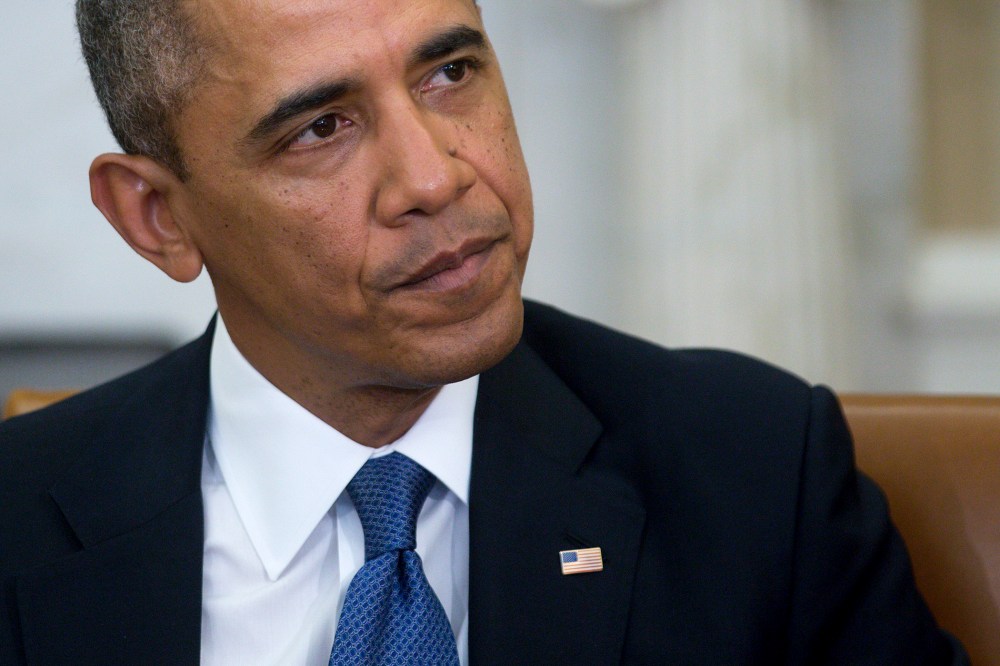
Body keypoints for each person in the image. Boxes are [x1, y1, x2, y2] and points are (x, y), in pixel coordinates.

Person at [0, 0, 968, 664]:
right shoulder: (19, 524)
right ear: (156, 217)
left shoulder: (752, 473)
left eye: (449, 72)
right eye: (321, 129)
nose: (433, 178)